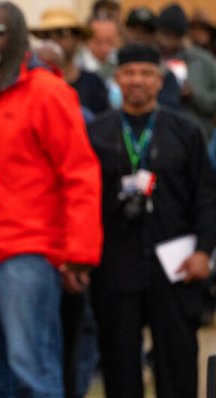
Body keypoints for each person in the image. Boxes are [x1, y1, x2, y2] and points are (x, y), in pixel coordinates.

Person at [0, 0, 102, 398]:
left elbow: (79, 172)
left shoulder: (47, 91)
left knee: (32, 371)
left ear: (18, 36)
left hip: (25, 256)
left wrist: (79, 252)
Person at [88, 44, 216, 398]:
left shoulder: (185, 132)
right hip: (115, 263)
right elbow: (83, 199)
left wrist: (205, 251)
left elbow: (206, 197)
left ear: (161, 81)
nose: (137, 81)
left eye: (146, 74)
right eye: (129, 73)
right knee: (119, 364)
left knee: (177, 362)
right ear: (117, 79)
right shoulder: (96, 133)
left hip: (175, 265)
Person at [30, 6, 109, 116]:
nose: (53, 39)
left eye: (61, 33)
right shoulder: (31, 83)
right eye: (46, 34)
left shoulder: (93, 83)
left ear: (78, 38)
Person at [155, 2, 216, 140]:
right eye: (165, 34)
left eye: (175, 36)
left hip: (198, 139)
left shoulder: (203, 61)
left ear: (183, 37)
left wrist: (195, 96)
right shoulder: (149, 60)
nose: (168, 41)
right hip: (157, 138)